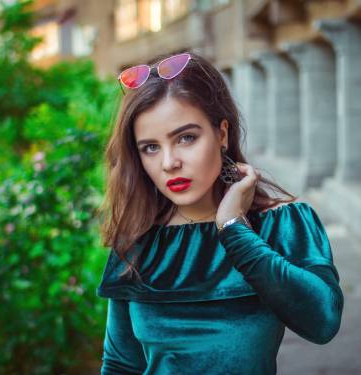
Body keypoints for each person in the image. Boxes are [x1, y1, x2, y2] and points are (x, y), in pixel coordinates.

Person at [96, 51, 344, 374]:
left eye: (186, 138)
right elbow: (120, 365)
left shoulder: (282, 224)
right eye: (151, 147)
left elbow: (322, 322)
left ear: (222, 134)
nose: (169, 162)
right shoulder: (139, 241)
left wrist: (234, 229)